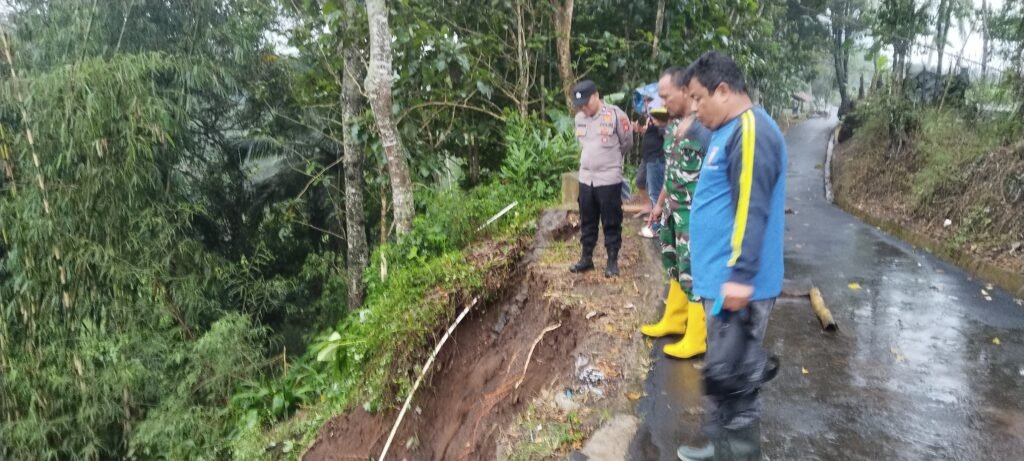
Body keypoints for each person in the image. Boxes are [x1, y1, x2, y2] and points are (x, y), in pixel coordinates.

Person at [675, 52, 787, 461]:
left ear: (723, 90)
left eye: (699, 98)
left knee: (737, 383)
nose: (695, 107)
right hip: (720, 283)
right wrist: (691, 128)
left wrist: (739, 277)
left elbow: (751, 207)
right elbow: (712, 143)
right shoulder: (728, 130)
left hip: (739, 287)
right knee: (723, 374)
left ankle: (739, 454)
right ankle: (722, 448)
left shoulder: (752, 130)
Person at [640, 67, 712, 359]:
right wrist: (658, 205)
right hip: (672, 211)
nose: (662, 102)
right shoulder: (672, 126)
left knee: (693, 272)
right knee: (675, 267)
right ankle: (674, 319)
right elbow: (672, 172)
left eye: (666, 96)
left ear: (685, 91)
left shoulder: (704, 128)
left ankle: (697, 337)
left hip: (694, 214)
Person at [568, 80, 633, 277]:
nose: (583, 108)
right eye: (580, 105)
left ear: (596, 96)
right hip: (586, 178)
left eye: (586, 103)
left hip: (608, 178)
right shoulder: (579, 119)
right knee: (587, 220)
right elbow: (583, 145)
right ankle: (586, 258)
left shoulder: (615, 115)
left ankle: (612, 261)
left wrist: (608, 161)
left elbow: (627, 143)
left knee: (611, 220)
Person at [638, 106, 669, 239]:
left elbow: (667, 134)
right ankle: (654, 218)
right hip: (648, 157)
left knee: (655, 192)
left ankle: (657, 228)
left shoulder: (666, 119)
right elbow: (649, 133)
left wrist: (660, 123)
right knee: (641, 182)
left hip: (657, 158)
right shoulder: (651, 118)